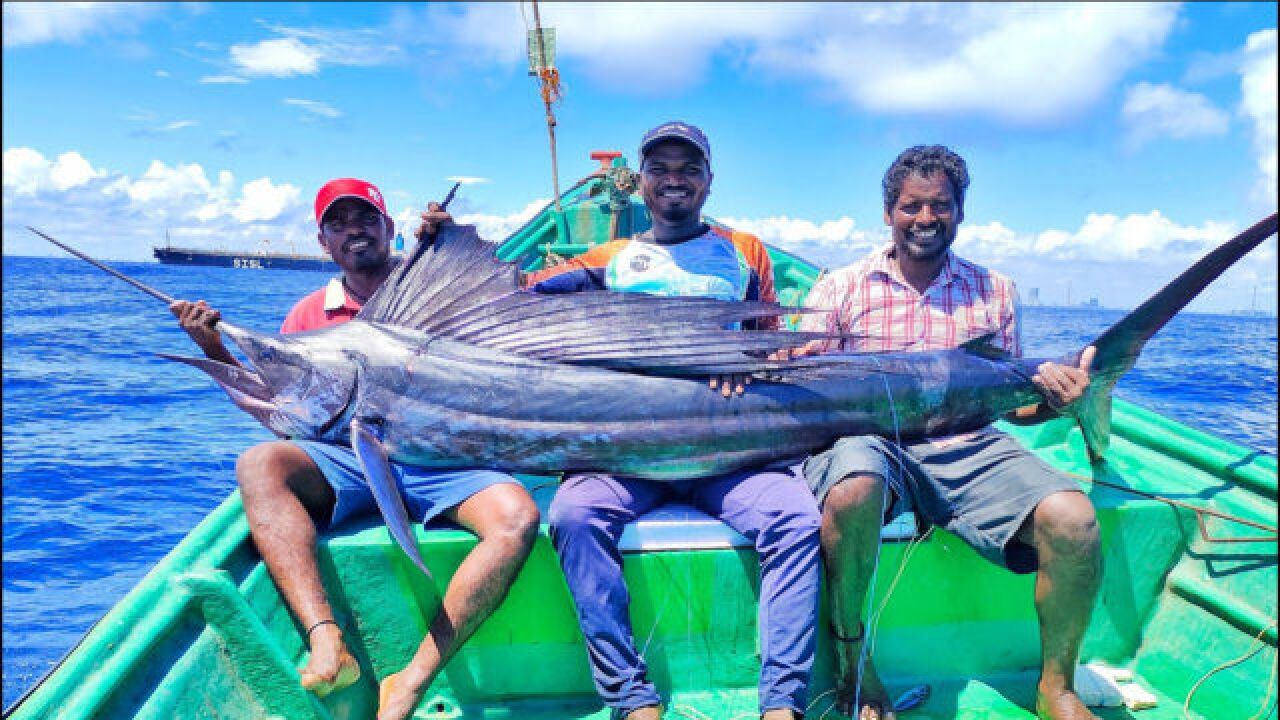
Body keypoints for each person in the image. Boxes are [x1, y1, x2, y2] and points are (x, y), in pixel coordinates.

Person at [170, 178, 540, 720]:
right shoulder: (306, 316)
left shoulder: (431, 287)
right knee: (258, 464)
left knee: (516, 517)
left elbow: (516, 312)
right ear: (324, 242)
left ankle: (409, 681)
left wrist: (446, 250)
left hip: (446, 460)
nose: (354, 231)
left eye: (365, 218)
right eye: (337, 224)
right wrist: (213, 347)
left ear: (389, 228)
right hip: (353, 455)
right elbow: (289, 413)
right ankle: (327, 641)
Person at [524, 122, 822, 720]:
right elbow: (525, 296)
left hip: (727, 452)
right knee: (573, 514)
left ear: (709, 182)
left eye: (689, 168)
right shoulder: (612, 259)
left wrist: (752, 359)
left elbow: (774, 344)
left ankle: (782, 705)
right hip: (631, 455)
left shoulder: (745, 250)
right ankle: (631, 700)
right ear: (640, 184)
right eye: (661, 168)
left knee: (794, 518)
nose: (675, 179)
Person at [793, 146, 1100, 720]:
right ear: (889, 212)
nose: (925, 219)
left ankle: (1057, 686)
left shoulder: (994, 290)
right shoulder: (842, 286)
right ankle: (852, 660)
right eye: (912, 206)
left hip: (969, 445)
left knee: (1075, 520)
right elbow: (807, 381)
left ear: (960, 211)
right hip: (870, 442)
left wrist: (1058, 403)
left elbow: (1012, 409)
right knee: (852, 487)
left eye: (940, 205)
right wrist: (800, 356)